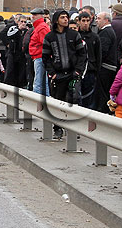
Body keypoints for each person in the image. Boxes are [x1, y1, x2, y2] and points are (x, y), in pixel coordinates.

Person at [42, 9, 87, 139]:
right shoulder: (49, 37)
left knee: (74, 101)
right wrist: (52, 73)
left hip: (73, 74)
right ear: (56, 20)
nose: (66, 20)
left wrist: (78, 71)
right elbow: (45, 57)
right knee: (58, 102)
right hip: (58, 75)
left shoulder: (74, 35)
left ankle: (73, 128)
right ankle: (58, 128)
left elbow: (82, 54)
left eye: (66, 17)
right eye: (62, 17)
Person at [77, 11, 101, 109]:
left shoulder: (95, 37)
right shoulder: (75, 36)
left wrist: (96, 71)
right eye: (83, 21)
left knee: (88, 97)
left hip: (90, 70)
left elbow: (98, 56)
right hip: (78, 70)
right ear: (79, 21)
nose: (85, 23)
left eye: (87, 21)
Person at [95, 12, 118, 113]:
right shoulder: (109, 31)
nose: (97, 21)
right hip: (110, 67)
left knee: (103, 93)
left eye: (99, 18)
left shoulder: (106, 32)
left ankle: (104, 111)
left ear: (106, 20)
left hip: (106, 67)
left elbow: (102, 51)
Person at [28, 8, 50, 95]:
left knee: (39, 83)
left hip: (40, 58)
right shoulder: (40, 27)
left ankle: (37, 103)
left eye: (35, 15)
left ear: (41, 16)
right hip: (39, 57)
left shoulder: (41, 28)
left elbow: (46, 44)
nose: (33, 16)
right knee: (41, 82)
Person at [2, 15, 28, 88]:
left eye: (25, 22)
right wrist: (8, 44)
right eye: (21, 21)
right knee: (10, 71)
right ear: (18, 22)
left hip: (22, 55)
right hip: (12, 53)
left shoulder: (27, 31)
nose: (23, 23)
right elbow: (7, 35)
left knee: (21, 73)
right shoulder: (13, 28)